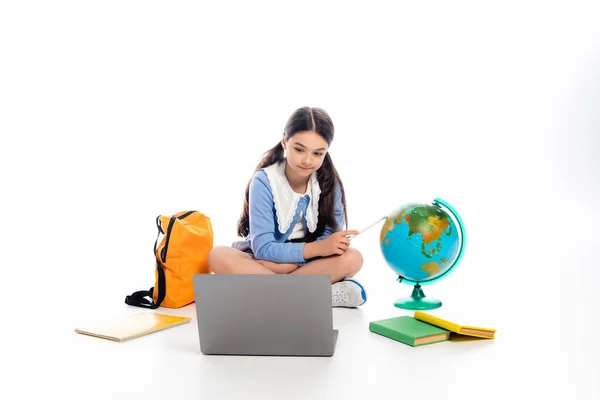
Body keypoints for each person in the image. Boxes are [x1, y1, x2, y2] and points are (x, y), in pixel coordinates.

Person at [208, 106, 366, 308]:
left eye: (318, 153)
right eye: (299, 149)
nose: (307, 160)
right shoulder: (264, 181)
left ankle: (272, 293)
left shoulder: (329, 182)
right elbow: (264, 248)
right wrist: (290, 263)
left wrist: (288, 267)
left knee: (353, 258)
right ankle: (308, 296)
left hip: (298, 264)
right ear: (284, 141)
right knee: (218, 255)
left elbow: (328, 242)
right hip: (265, 259)